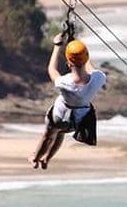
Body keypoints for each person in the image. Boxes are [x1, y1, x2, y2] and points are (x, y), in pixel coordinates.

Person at [29, 32, 106, 169]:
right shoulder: (98, 79)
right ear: (86, 58)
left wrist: (57, 46)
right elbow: (90, 68)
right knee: (61, 134)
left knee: (48, 135)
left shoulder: (64, 82)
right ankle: (46, 159)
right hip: (78, 122)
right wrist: (78, 47)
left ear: (69, 63)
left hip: (59, 117)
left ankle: (36, 158)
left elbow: (52, 69)